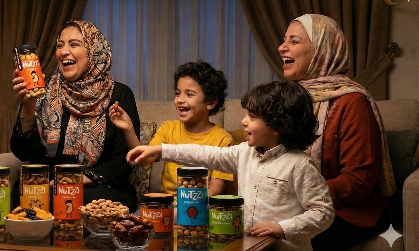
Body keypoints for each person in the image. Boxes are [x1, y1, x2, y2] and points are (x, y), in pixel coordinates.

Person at [127, 80, 334, 250]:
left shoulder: (300, 165)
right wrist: (161, 150)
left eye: (252, 117)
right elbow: (204, 154)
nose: (244, 122)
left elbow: (323, 213)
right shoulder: (244, 152)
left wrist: (281, 227)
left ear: (280, 126)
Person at [278, 14, 394, 250]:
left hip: (349, 210)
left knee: (289, 241)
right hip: (296, 203)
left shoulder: (353, 102)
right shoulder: (286, 100)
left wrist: (299, 196)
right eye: (283, 40)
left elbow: (358, 181)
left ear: (323, 49)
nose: (282, 47)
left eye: (294, 41)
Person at [10, 20, 140, 210]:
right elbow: (23, 153)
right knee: (21, 192)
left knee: (68, 200)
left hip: (99, 187)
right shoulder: (44, 92)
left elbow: (123, 160)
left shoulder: (119, 94)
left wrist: (70, 181)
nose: (63, 52)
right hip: (49, 186)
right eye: (60, 45)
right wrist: (28, 107)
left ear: (93, 51)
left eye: (74, 44)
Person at [109, 60, 235, 196]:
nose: (180, 100)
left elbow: (215, 190)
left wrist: (188, 208)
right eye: (177, 93)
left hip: (199, 207)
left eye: (189, 94)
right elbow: (144, 160)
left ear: (211, 102)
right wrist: (128, 129)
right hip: (167, 205)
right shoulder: (168, 128)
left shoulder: (223, 139)